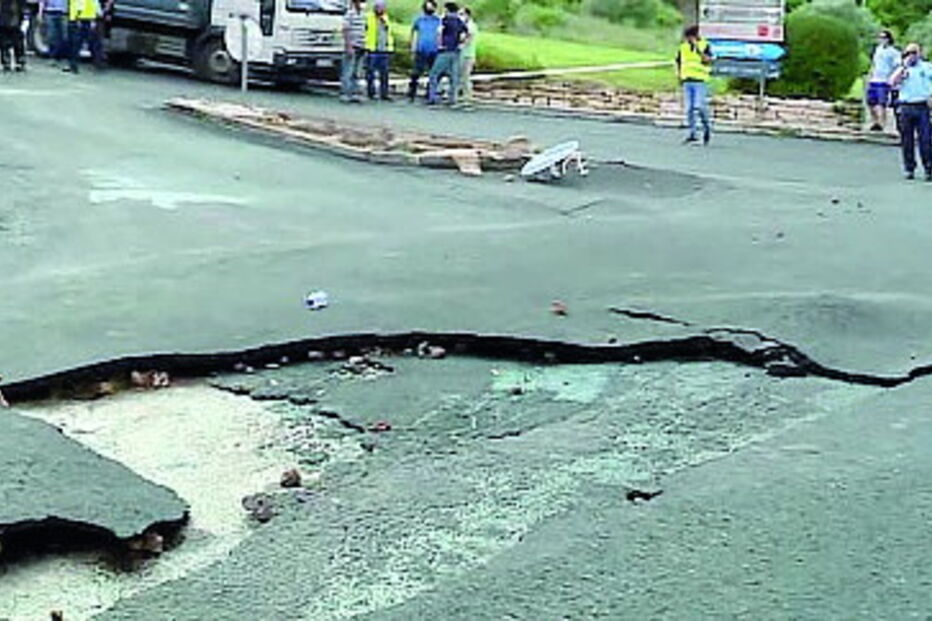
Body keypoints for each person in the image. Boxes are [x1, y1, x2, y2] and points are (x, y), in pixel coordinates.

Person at [889, 43, 932, 181]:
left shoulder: (926, 67)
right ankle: (909, 168)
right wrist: (903, 68)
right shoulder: (902, 68)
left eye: (914, 52)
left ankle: (928, 168)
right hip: (906, 106)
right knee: (907, 140)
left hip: (922, 106)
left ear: (919, 53)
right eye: (909, 53)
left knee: (926, 139)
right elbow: (892, 82)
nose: (912, 55)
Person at [675, 24, 713, 145]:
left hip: (700, 81)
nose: (688, 40)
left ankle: (707, 127)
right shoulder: (683, 48)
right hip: (687, 80)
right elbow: (678, 62)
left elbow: (708, 60)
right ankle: (693, 133)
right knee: (689, 108)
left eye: (691, 37)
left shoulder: (705, 45)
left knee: (699, 106)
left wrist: (698, 49)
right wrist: (679, 76)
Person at [427, 1, 466, 106]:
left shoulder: (445, 20)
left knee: (434, 74)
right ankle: (453, 99)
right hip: (456, 51)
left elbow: (439, 32)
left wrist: (440, 45)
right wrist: (459, 44)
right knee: (453, 76)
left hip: (445, 50)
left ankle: (432, 97)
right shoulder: (459, 22)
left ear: (447, 10)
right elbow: (463, 35)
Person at [867, 30, 900, 132]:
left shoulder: (893, 52)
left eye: (884, 38)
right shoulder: (878, 50)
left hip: (884, 80)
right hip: (874, 79)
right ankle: (875, 122)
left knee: (881, 103)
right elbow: (874, 64)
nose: (881, 40)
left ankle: (882, 124)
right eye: (880, 38)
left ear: (889, 39)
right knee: (871, 102)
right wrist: (870, 74)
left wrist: (892, 79)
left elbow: (897, 66)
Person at [408, 0, 440, 102]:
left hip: (434, 50)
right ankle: (412, 92)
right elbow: (413, 33)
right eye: (427, 6)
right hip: (421, 49)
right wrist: (412, 47)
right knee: (416, 72)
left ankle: (430, 93)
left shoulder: (438, 20)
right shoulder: (419, 19)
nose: (429, 9)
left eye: (431, 7)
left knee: (433, 73)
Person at [364, 0, 394, 101]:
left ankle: (384, 93)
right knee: (370, 73)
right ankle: (371, 93)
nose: (381, 9)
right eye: (379, 7)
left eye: (383, 7)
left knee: (384, 74)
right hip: (372, 49)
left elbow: (388, 33)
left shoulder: (385, 18)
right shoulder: (368, 17)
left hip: (384, 50)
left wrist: (390, 48)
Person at [65, 0, 104, 73]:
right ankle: (74, 65)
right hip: (81, 19)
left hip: (82, 19)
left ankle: (73, 65)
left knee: (78, 44)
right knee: (79, 44)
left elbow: (91, 4)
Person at [340, 0, 366, 103]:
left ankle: (355, 93)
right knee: (348, 71)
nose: (363, 4)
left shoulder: (363, 15)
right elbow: (345, 30)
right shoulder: (350, 14)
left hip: (361, 46)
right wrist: (348, 46)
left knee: (357, 72)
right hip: (352, 46)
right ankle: (345, 93)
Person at [0, 0, 27, 71]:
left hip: (13, 15)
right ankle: (13, 61)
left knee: (15, 38)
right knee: (6, 39)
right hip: (7, 15)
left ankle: (17, 61)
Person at [459, 6, 477, 101]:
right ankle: (462, 95)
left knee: (465, 77)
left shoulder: (471, 26)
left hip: (468, 55)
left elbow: (468, 38)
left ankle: (468, 97)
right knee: (461, 76)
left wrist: (461, 44)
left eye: (462, 14)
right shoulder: (463, 25)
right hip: (462, 54)